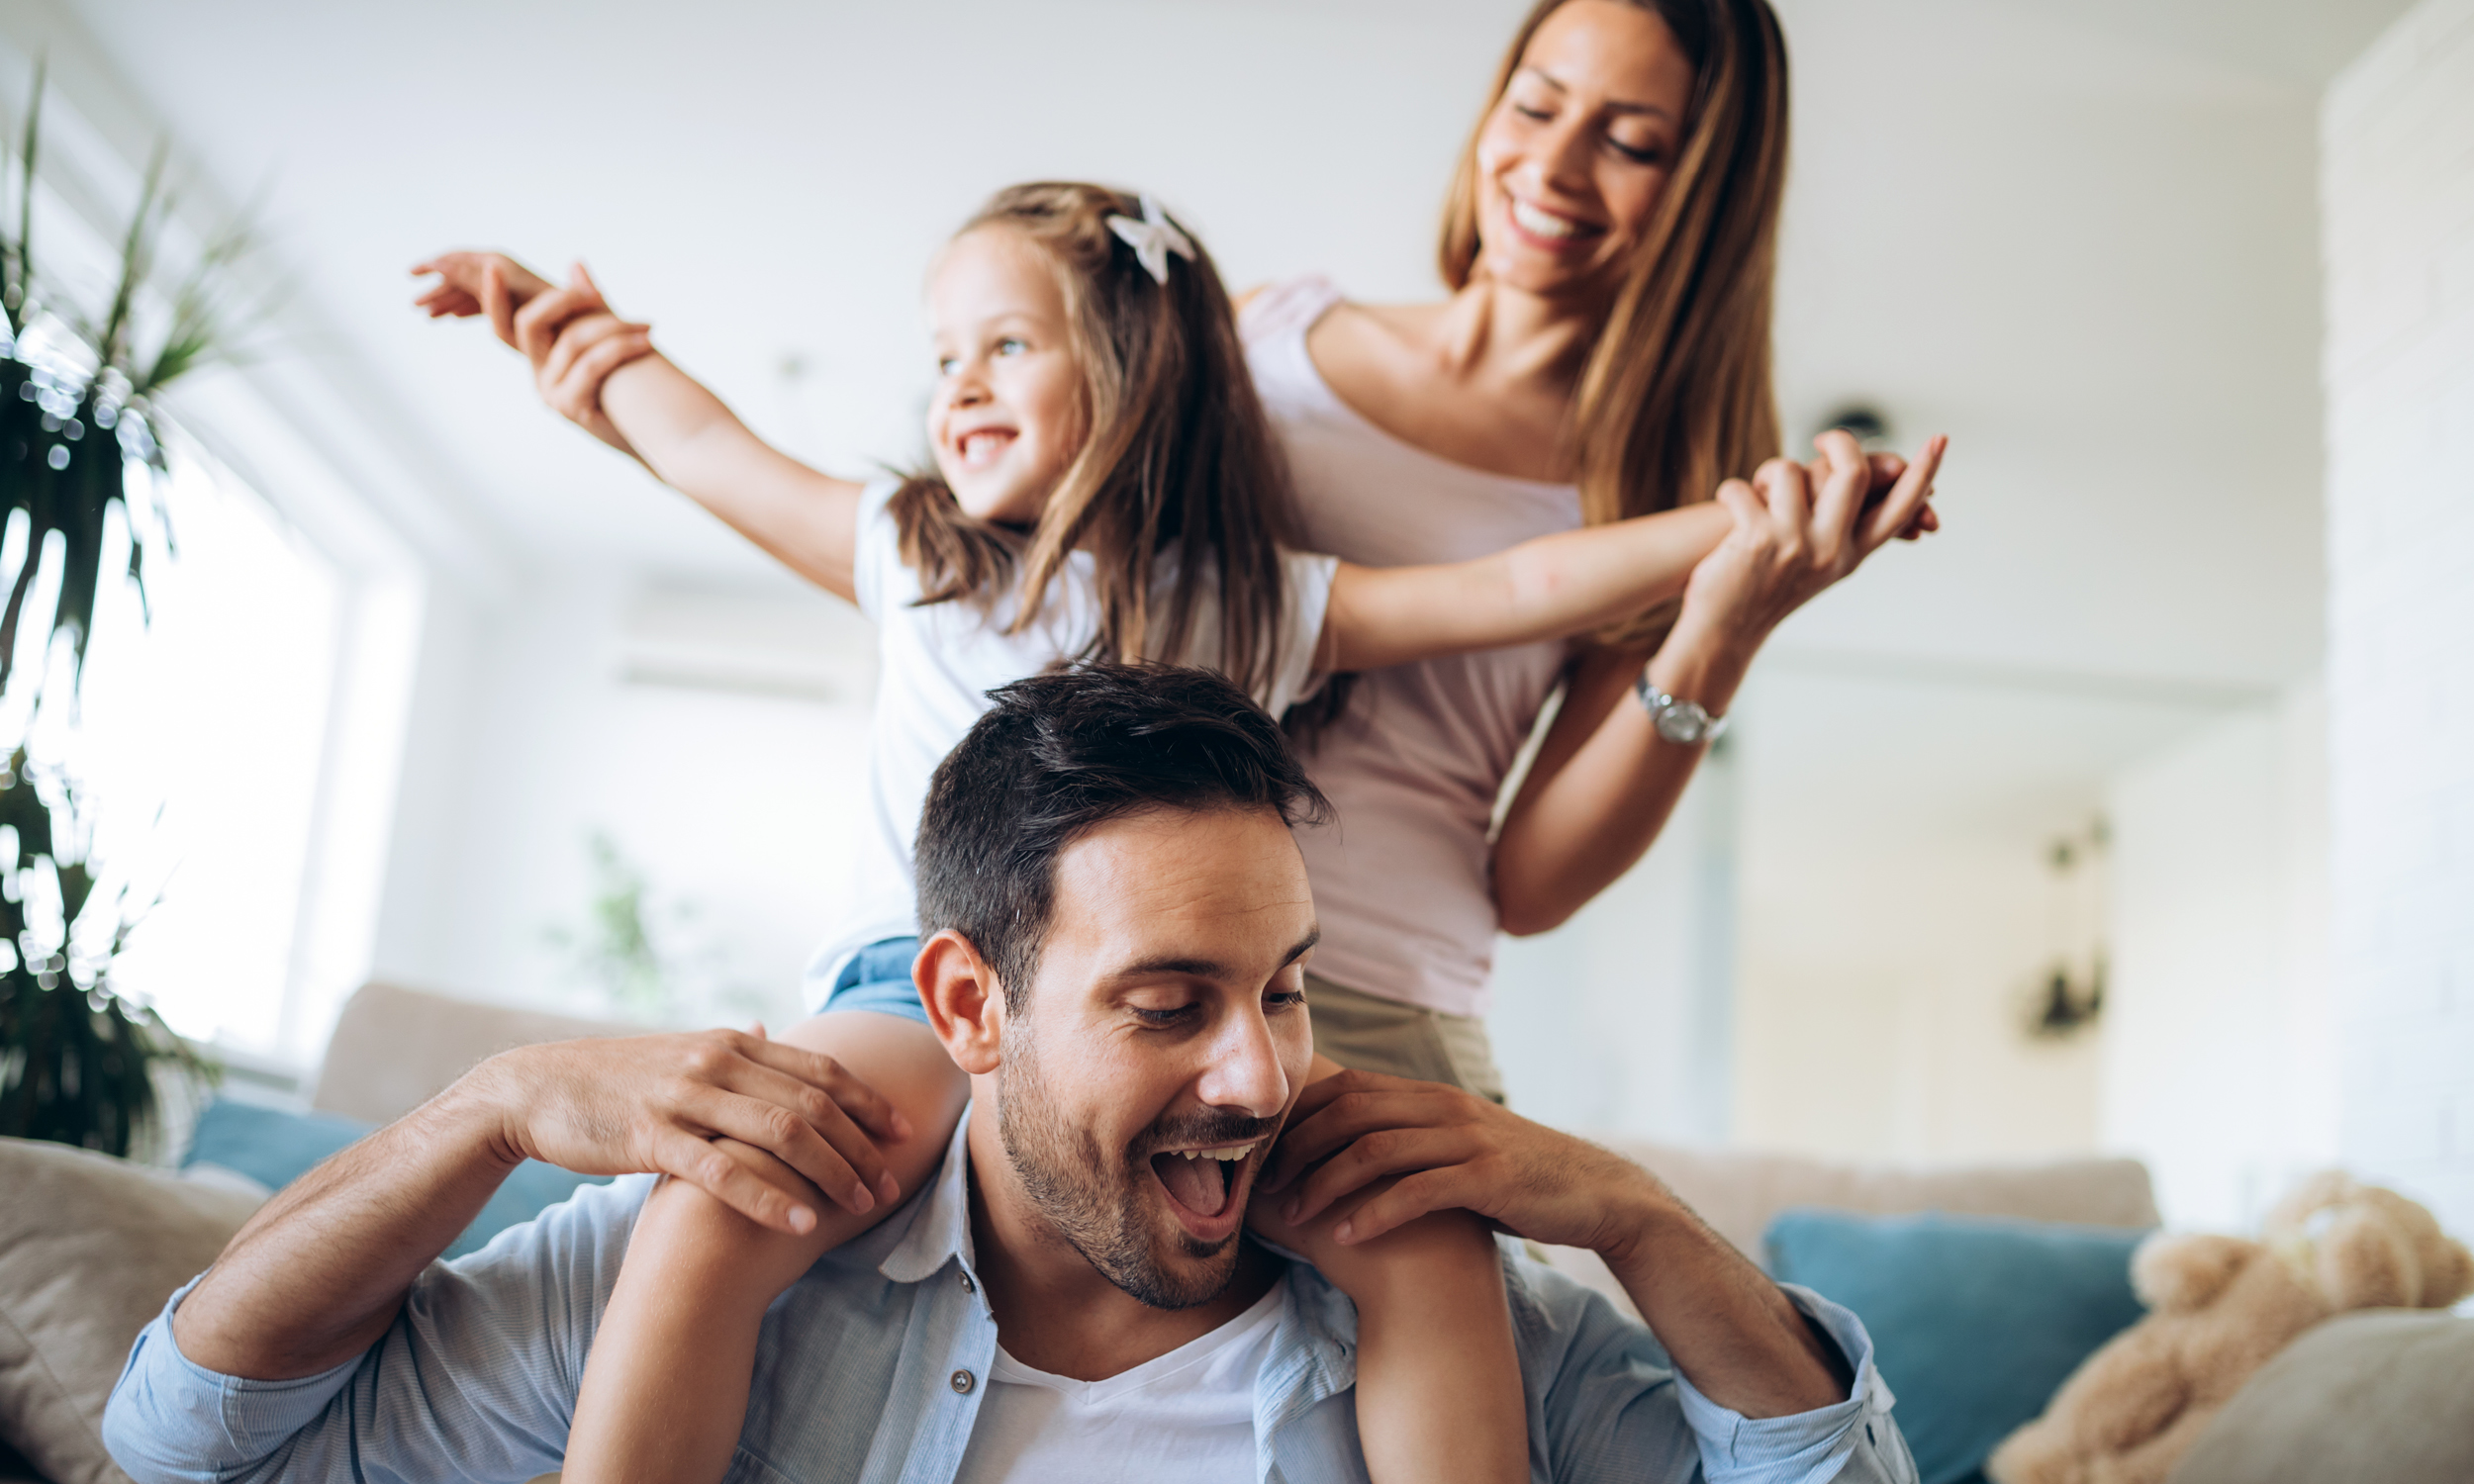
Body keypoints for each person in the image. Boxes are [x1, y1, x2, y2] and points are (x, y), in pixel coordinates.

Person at [410, 183, 1939, 1483]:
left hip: (1164, 1002)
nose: (957, 382)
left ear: (1133, 366)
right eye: (942, 353)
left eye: (1006, 343)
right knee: (737, 1188)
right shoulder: (917, 553)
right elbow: (706, 446)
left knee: (1423, 1242)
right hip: (913, 986)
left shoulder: (1263, 597)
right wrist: (585, 347)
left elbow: (1522, 591)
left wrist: (1760, 530)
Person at [106, 662, 1917, 1484]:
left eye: (1287, 991)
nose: (1261, 1073)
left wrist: (1633, 1217)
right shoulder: (749, 1241)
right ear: (970, 1005)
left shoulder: (1426, 1285)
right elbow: (184, 1441)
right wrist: (482, 1108)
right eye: (1169, 1004)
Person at [1242, 0, 1938, 1095]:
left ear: (1703, 195)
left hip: (1380, 997)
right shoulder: (1259, 338)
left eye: (1629, 142)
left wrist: (1724, 622)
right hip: (1129, 953)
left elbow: (1532, 887)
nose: (1553, 166)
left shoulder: (1658, 497)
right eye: (1536, 104)